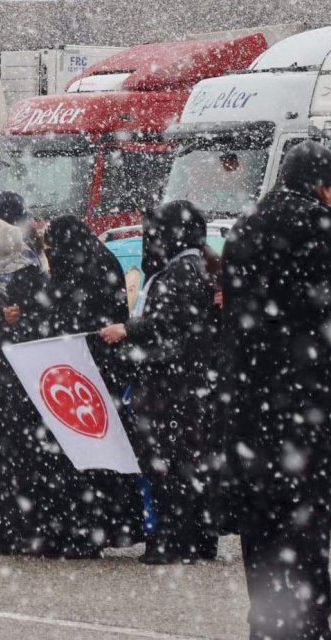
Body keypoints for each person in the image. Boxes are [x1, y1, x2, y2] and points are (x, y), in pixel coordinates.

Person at [220, 141, 331, 639]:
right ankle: (308, 624)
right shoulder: (321, 229)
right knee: (308, 527)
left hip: (250, 409)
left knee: (262, 528)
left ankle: (267, 624)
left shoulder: (244, 230)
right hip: (310, 409)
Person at [100, 201, 217, 565]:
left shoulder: (180, 271)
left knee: (166, 462)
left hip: (170, 383)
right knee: (185, 460)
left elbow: (168, 325)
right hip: (187, 381)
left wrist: (127, 330)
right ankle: (195, 538)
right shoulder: (196, 264)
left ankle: (171, 540)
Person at [0, 217, 70, 557]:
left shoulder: (23, 273)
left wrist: (5, 333)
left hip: (13, 380)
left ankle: (14, 528)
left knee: (13, 455)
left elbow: (38, 325)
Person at [43, 216, 141, 549]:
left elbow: (72, 316)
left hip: (88, 371)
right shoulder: (97, 260)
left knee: (88, 450)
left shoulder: (86, 267)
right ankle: (97, 525)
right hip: (89, 371)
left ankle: (88, 528)